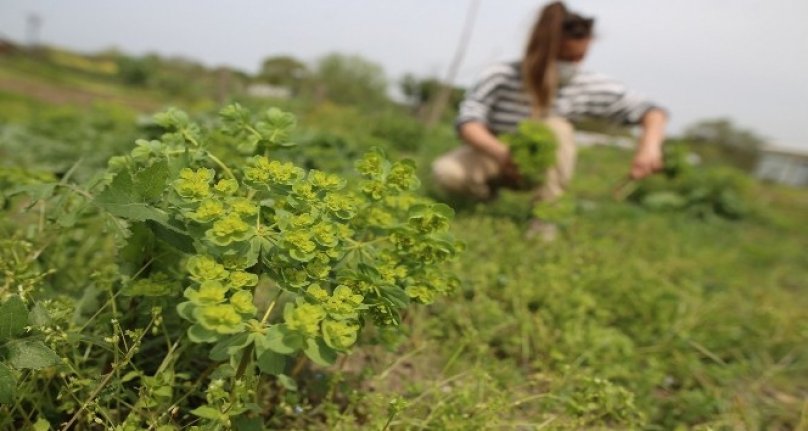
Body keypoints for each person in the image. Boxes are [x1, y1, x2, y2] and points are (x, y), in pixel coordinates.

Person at [432, 1, 668, 236]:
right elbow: (468, 122)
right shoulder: (500, 76)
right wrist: (504, 155)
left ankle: (545, 217)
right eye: (565, 57)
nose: (572, 65)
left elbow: (651, 111)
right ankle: (481, 205)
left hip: (544, 168)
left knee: (557, 126)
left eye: (580, 57)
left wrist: (649, 147)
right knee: (448, 172)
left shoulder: (587, 85)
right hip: (495, 157)